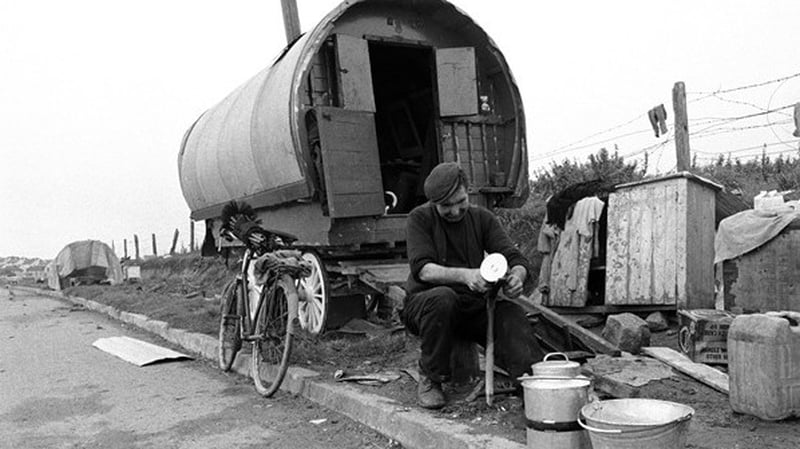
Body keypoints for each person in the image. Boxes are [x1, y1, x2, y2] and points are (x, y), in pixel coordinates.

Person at [401, 162, 544, 409]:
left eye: (461, 201)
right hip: (425, 305)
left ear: (468, 192)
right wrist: (466, 276)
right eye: (446, 206)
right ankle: (431, 378)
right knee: (443, 298)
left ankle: (531, 387)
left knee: (511, 313)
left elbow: (514, 257)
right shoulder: (419, 218)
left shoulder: (482, 218)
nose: (455, 211)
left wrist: (517, 278)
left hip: (472, 305)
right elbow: (423, 269)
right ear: (434, 203)